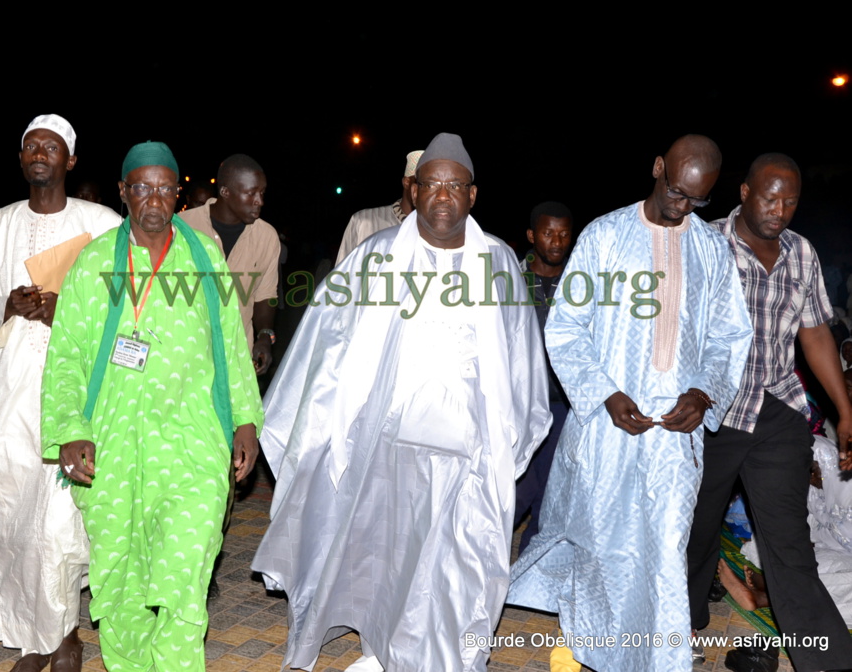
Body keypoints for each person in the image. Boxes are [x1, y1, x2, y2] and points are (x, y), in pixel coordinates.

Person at [253, 133, 552, 672]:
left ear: (472, 194)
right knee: (384, 548)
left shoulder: (500, 262)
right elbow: (327, 343)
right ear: (414, 190)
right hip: (385, 439)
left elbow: (522, 360)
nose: (443, 195)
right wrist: (315, 424)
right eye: (431, 183)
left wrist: (512, 438)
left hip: (467, 445)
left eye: (454, 185)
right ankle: (383, 647)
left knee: (456, 559)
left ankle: (433, 653)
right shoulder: (375, 256)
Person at [506, 134, 753, 672]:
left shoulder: (711, 250)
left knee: (665, 548)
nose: (682, 206)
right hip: (608, 426)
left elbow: (730, 336)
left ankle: (660, 658)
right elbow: (566, 328)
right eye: (676, 191)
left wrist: (704, 392)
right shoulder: (604, 236)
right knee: (604, 547)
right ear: (659, 167)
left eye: (696, 199)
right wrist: (605, 394)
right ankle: (596, 646)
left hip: (675, 434)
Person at [40, 141, 263, 671]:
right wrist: (70, 428)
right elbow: (66, 355)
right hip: (112, 450)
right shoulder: (95, 263)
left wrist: (246, 420)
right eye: (142, 187)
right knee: (120, 586)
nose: (154, 199)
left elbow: (231, 343)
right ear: (124, 192)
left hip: (194, 445)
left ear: (177, 193)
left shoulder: (203, 257)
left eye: (165, 188)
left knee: (185, 579)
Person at [0, 114, 121, 671]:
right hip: (11, 386)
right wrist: (5, 305)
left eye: (50, 147)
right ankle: (30, 637)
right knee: (7, 510)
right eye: (30, 145)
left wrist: (68, 311)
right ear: (20, 158)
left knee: (59, 520)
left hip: (75, 385)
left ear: (69, 160)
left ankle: (62, 634)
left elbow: (128, 299)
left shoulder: (101, 224)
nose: (38, 153)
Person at [686, 153, 852, 671]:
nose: (779, 210)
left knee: (790, 546)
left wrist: (845, 411)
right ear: (744, 193)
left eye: (790, 201)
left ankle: (829, 662)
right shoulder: (704, 243)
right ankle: (680, 623)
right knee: (693, 529)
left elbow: (816, 332)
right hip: (712, 412)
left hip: (777, 411)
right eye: (769, 198)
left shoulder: (801, 252)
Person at [179, 154, 278, 374]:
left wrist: (264, 336)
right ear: (225, 192)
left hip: (237, 358)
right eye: (251, 193)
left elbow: (265, 295)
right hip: (183, 357)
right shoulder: (182, 227)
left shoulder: (266, 237)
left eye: (262, 193)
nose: (259, 201)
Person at [513, 201, 573, 553]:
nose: (557, 241)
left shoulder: (580, 283)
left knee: (551, 490)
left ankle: (528, 568)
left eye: (564, 234)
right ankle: (483, 561)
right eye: (548, 233)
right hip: (519, 401)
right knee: (514, 486)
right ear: (532, 235)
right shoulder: (510, 281)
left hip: (564, 403)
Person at [335, 150, 423, 265]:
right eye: (421, 183)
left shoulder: (437, 231)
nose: (427, 190)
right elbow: (342, 272)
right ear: (407, 182)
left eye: (432, 185)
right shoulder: (365, 222)